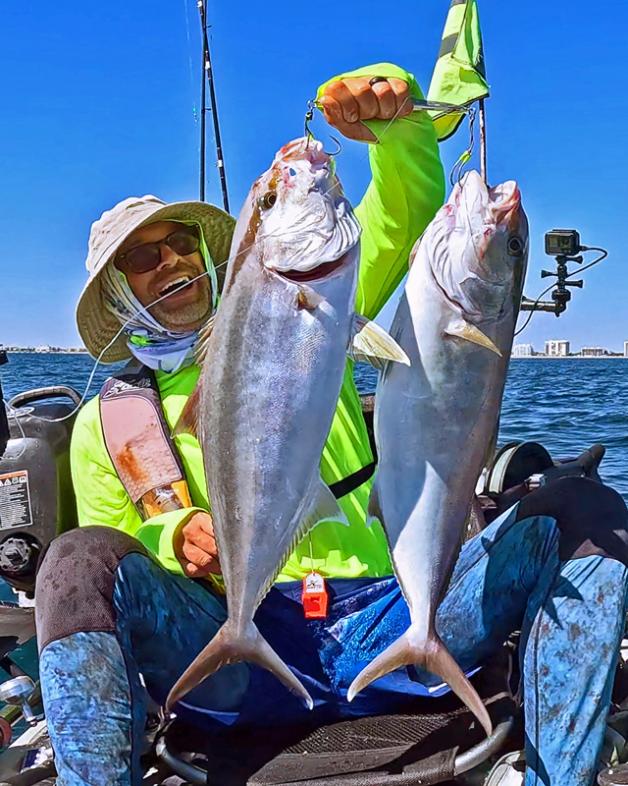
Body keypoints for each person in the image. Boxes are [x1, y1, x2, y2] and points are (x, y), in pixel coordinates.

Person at [35, 63, 628, 786]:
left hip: (391, 610)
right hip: (238, 659)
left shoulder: (315, 310)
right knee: (73, 560)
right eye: (143, 257)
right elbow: (114, 552)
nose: (172, 263)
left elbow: (402, 217)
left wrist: (396, 126)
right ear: (121, 291)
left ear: (220, 252)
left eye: (185, 243)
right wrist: (175, 534)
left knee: (582, 508)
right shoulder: (107, 419)